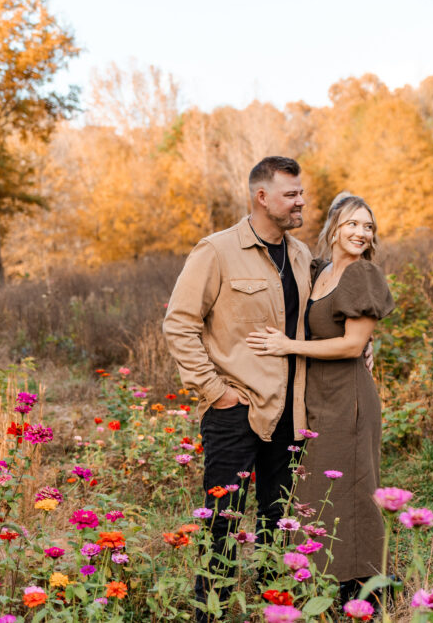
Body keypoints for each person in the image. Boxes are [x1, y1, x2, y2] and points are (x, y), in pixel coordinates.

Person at [163, 156, 311, 621]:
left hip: (290, 410)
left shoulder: (302, 255)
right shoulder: (217, 251)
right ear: (262, 197)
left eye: (301, 193)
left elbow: (319, 319)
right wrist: (215, 391)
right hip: (234, 411)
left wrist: (361, 345)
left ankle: (274, 610)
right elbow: (179, 324)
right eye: (291, 194)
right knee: (222, 525)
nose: (301, 201)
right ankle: (211, 614)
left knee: (278, 522)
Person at [246, 192, 395, 604]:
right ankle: (329, 573)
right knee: (318, 489)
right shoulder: (319, 270)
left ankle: (367, 583)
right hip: (316, 395)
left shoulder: (362, 275)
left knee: (354, 485)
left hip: (349, 396)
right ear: (334, 227)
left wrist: (287, 346)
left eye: (368, 226)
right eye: (353, 224)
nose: (361, 233)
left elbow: (351, 345)